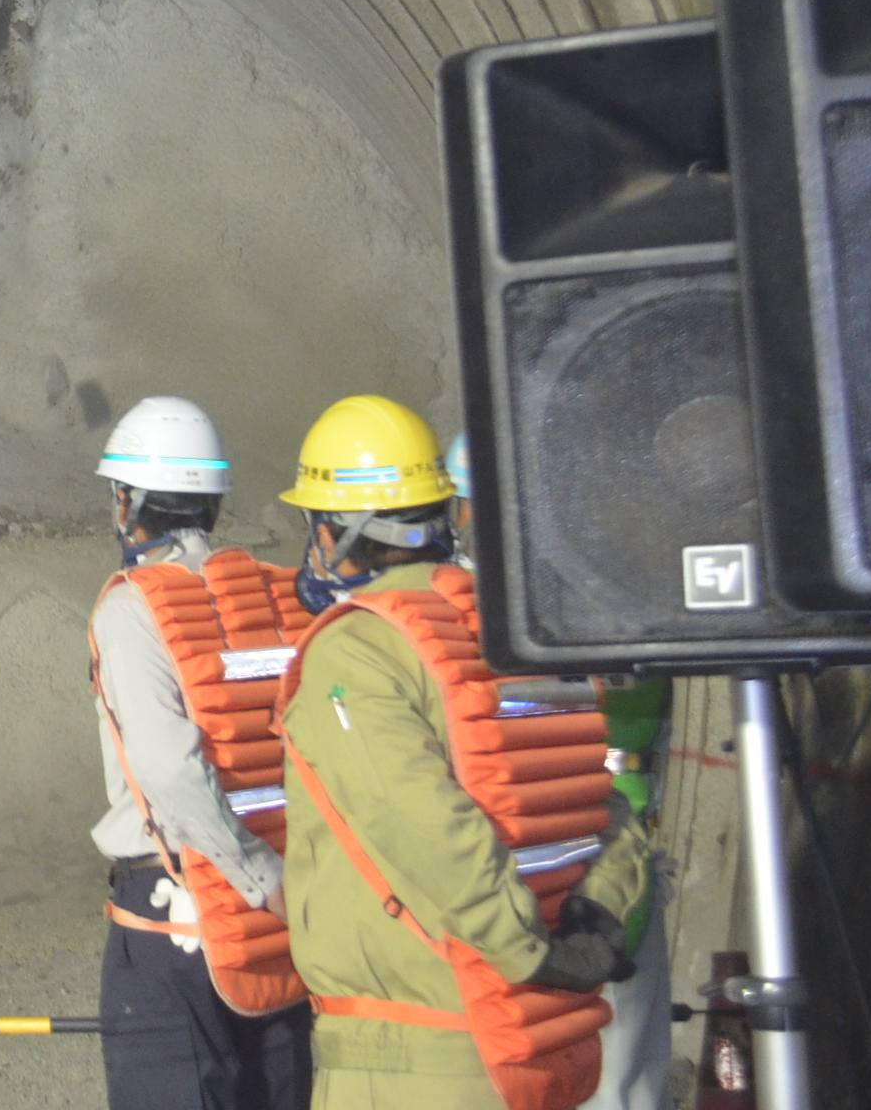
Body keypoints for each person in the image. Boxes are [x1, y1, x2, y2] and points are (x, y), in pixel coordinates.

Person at [276, 398, 650, 1110]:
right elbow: (599, 805)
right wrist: (594, 926)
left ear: (338, 530)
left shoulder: (354, 650)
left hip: (408, 1059)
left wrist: (527, 954)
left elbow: (417, 820)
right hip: (538, 1044)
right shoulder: (520, 634)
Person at [86, 395, 312, 1109]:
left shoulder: (133, 608)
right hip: (278, 930)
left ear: (128, 501)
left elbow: (167, 769)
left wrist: (254, 873)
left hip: (176, 920)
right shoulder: (280, 600)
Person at [445, 433, 674, 1110]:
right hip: (611, 846)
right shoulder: (608, 581)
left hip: (537, 860)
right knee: (622, 1072)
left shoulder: (465, 607)